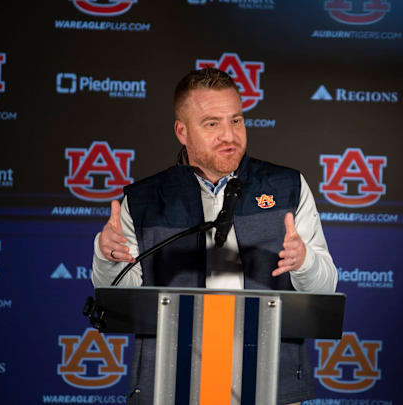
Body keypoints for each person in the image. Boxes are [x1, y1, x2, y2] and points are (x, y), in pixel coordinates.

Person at [91, 67, 338, 405]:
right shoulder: (145, 200)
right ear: (182, 131)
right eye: (212, 124)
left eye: (236, 121)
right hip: (171, 385)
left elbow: (325, 288)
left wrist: (304, 262)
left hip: (269, 386)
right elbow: (120, 299)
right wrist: (107, 258)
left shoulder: (288, 187)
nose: (229, 135)